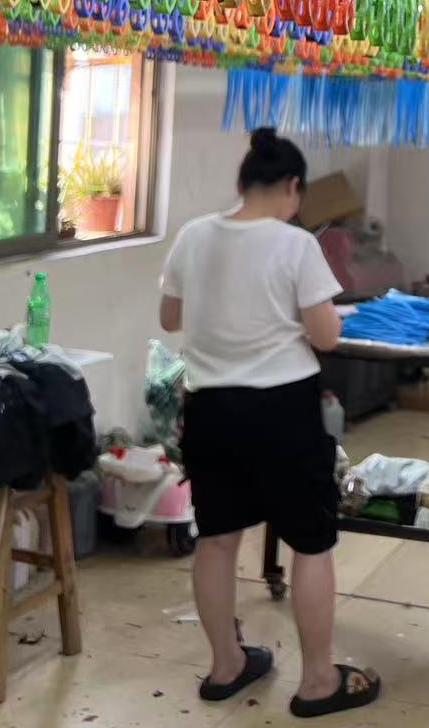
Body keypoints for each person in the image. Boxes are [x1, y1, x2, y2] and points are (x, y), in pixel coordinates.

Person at [159, 128, 379, 717]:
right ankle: (318, 681)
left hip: (210, 411)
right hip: (282, 412)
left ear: (243, 182)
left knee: (216, 539)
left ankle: (226, 666)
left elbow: (170, 317)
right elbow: (326, 336)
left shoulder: (194, 235)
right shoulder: (295, 244)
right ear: (292, 187)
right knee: (310, 542)